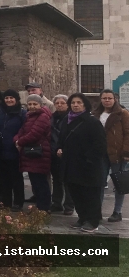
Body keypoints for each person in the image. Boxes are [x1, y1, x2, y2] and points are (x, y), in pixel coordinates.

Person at [58, 93, 107, 233]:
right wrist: (59, 149)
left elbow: (100, 145)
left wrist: (88, 159)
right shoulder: (67, 120)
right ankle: (82, 217)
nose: (75, 105)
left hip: (87, 166)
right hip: (71, 165)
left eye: (79, 102)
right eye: (73, 102)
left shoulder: (92, 122)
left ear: (85, 104)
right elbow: (62, 139)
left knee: (90, 195)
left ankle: (93, 221)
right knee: (76, 194)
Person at [91, 89, 129, 222]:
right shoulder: (95, 114)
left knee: (119, 184)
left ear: (115, 99)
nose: (107, 100)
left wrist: (126, 152)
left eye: (109, 98)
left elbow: (127, 133)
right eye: (104, 98)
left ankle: (117, 212)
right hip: (101, 154)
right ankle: (97, 211)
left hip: (118, 154)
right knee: (99, 183)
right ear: (100, 100)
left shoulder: (122, 113)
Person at [14, 95, 52, 212]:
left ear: (40, 105)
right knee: (35, 182)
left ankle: (44, 208)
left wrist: (19, 142)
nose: (32, 106)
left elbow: (34, 134)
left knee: (40, 183)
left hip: (40, 154)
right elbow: (22, 130)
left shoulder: (43, 116)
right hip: (31, 154)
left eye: (35, 104)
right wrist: (16, 139)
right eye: (30, 104)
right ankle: (40, 206)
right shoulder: (29, 116)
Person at [0, 89, 27, 211]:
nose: (9, 100)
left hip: (14, 149)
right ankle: (6, 201)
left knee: (16, 178)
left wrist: (17, 139)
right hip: (1, 149)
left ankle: (18, 202)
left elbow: (24, 129)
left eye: (11, 98)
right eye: (6, 98)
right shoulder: (0, 112)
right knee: (4, 178)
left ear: (16, 99)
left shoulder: (21, 113)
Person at [49, 95, 73, 215]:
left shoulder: (70, 118)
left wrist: (63, 148)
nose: (59, 105)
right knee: (57, 180)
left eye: (62, 103)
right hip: (53, 152)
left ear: (67, 104)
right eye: (57, 103)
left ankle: (69, 205)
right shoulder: (52, 117)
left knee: (67, 180)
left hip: (66, 152)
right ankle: (57, 203)